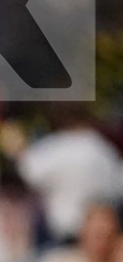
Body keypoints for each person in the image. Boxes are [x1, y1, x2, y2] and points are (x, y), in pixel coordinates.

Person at [18, 104, 123, 243]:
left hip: (66, 237)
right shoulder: (102, 148)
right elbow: (118, 187)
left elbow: (25, 171)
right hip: (101, 237)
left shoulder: (53, 148)